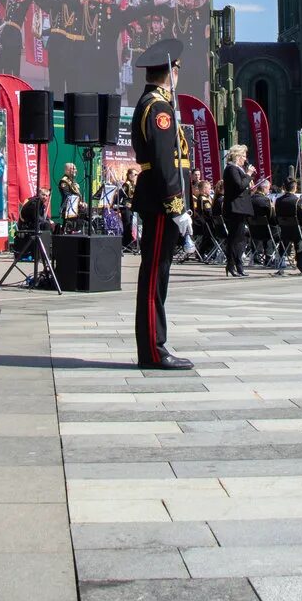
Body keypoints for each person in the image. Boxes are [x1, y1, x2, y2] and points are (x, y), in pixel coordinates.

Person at [130, 38, 191, 370]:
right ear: (171, 71)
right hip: (159, 201)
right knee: (154, 277)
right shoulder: (158, 107)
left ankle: (155, 346)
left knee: (158, 275)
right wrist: (176, 207)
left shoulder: (156, 104)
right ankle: (154, 350)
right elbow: (165, 163)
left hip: (158, 200)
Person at [220, 144, 252, 277]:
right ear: (237, 156)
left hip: (241, 207)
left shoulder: (238, 169)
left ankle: (238, 264)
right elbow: (239, 185)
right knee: (235, 237)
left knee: (240, 238)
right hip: (235, 208)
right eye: (243, 156)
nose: (245, 159)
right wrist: (249, 174)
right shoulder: (231, 169)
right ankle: (232, 264)